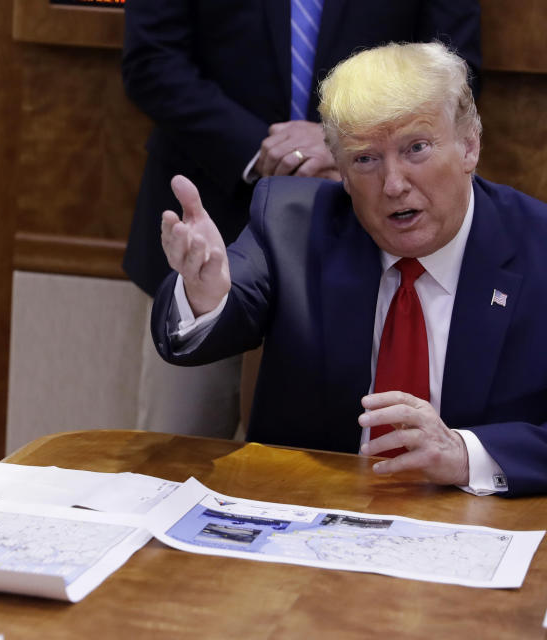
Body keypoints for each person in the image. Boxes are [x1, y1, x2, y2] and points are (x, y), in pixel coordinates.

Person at [152, 41, 547, 497]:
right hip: (310, 516)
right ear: (339, 168)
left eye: (416, 148)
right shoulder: (291, 226)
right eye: (365, 159)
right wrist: (204, 293)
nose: (394, 184)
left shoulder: (536, 248)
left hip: (480, 527)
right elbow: (211, 319)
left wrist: (465, 455)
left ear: (469, 147)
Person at [122, 0, 481, 439]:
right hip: (212, 206)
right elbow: (152, 59)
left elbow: (452, 68)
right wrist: (266, 151)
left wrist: (349, 148)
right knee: (175, 454)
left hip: (366, 225)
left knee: (338, 451)